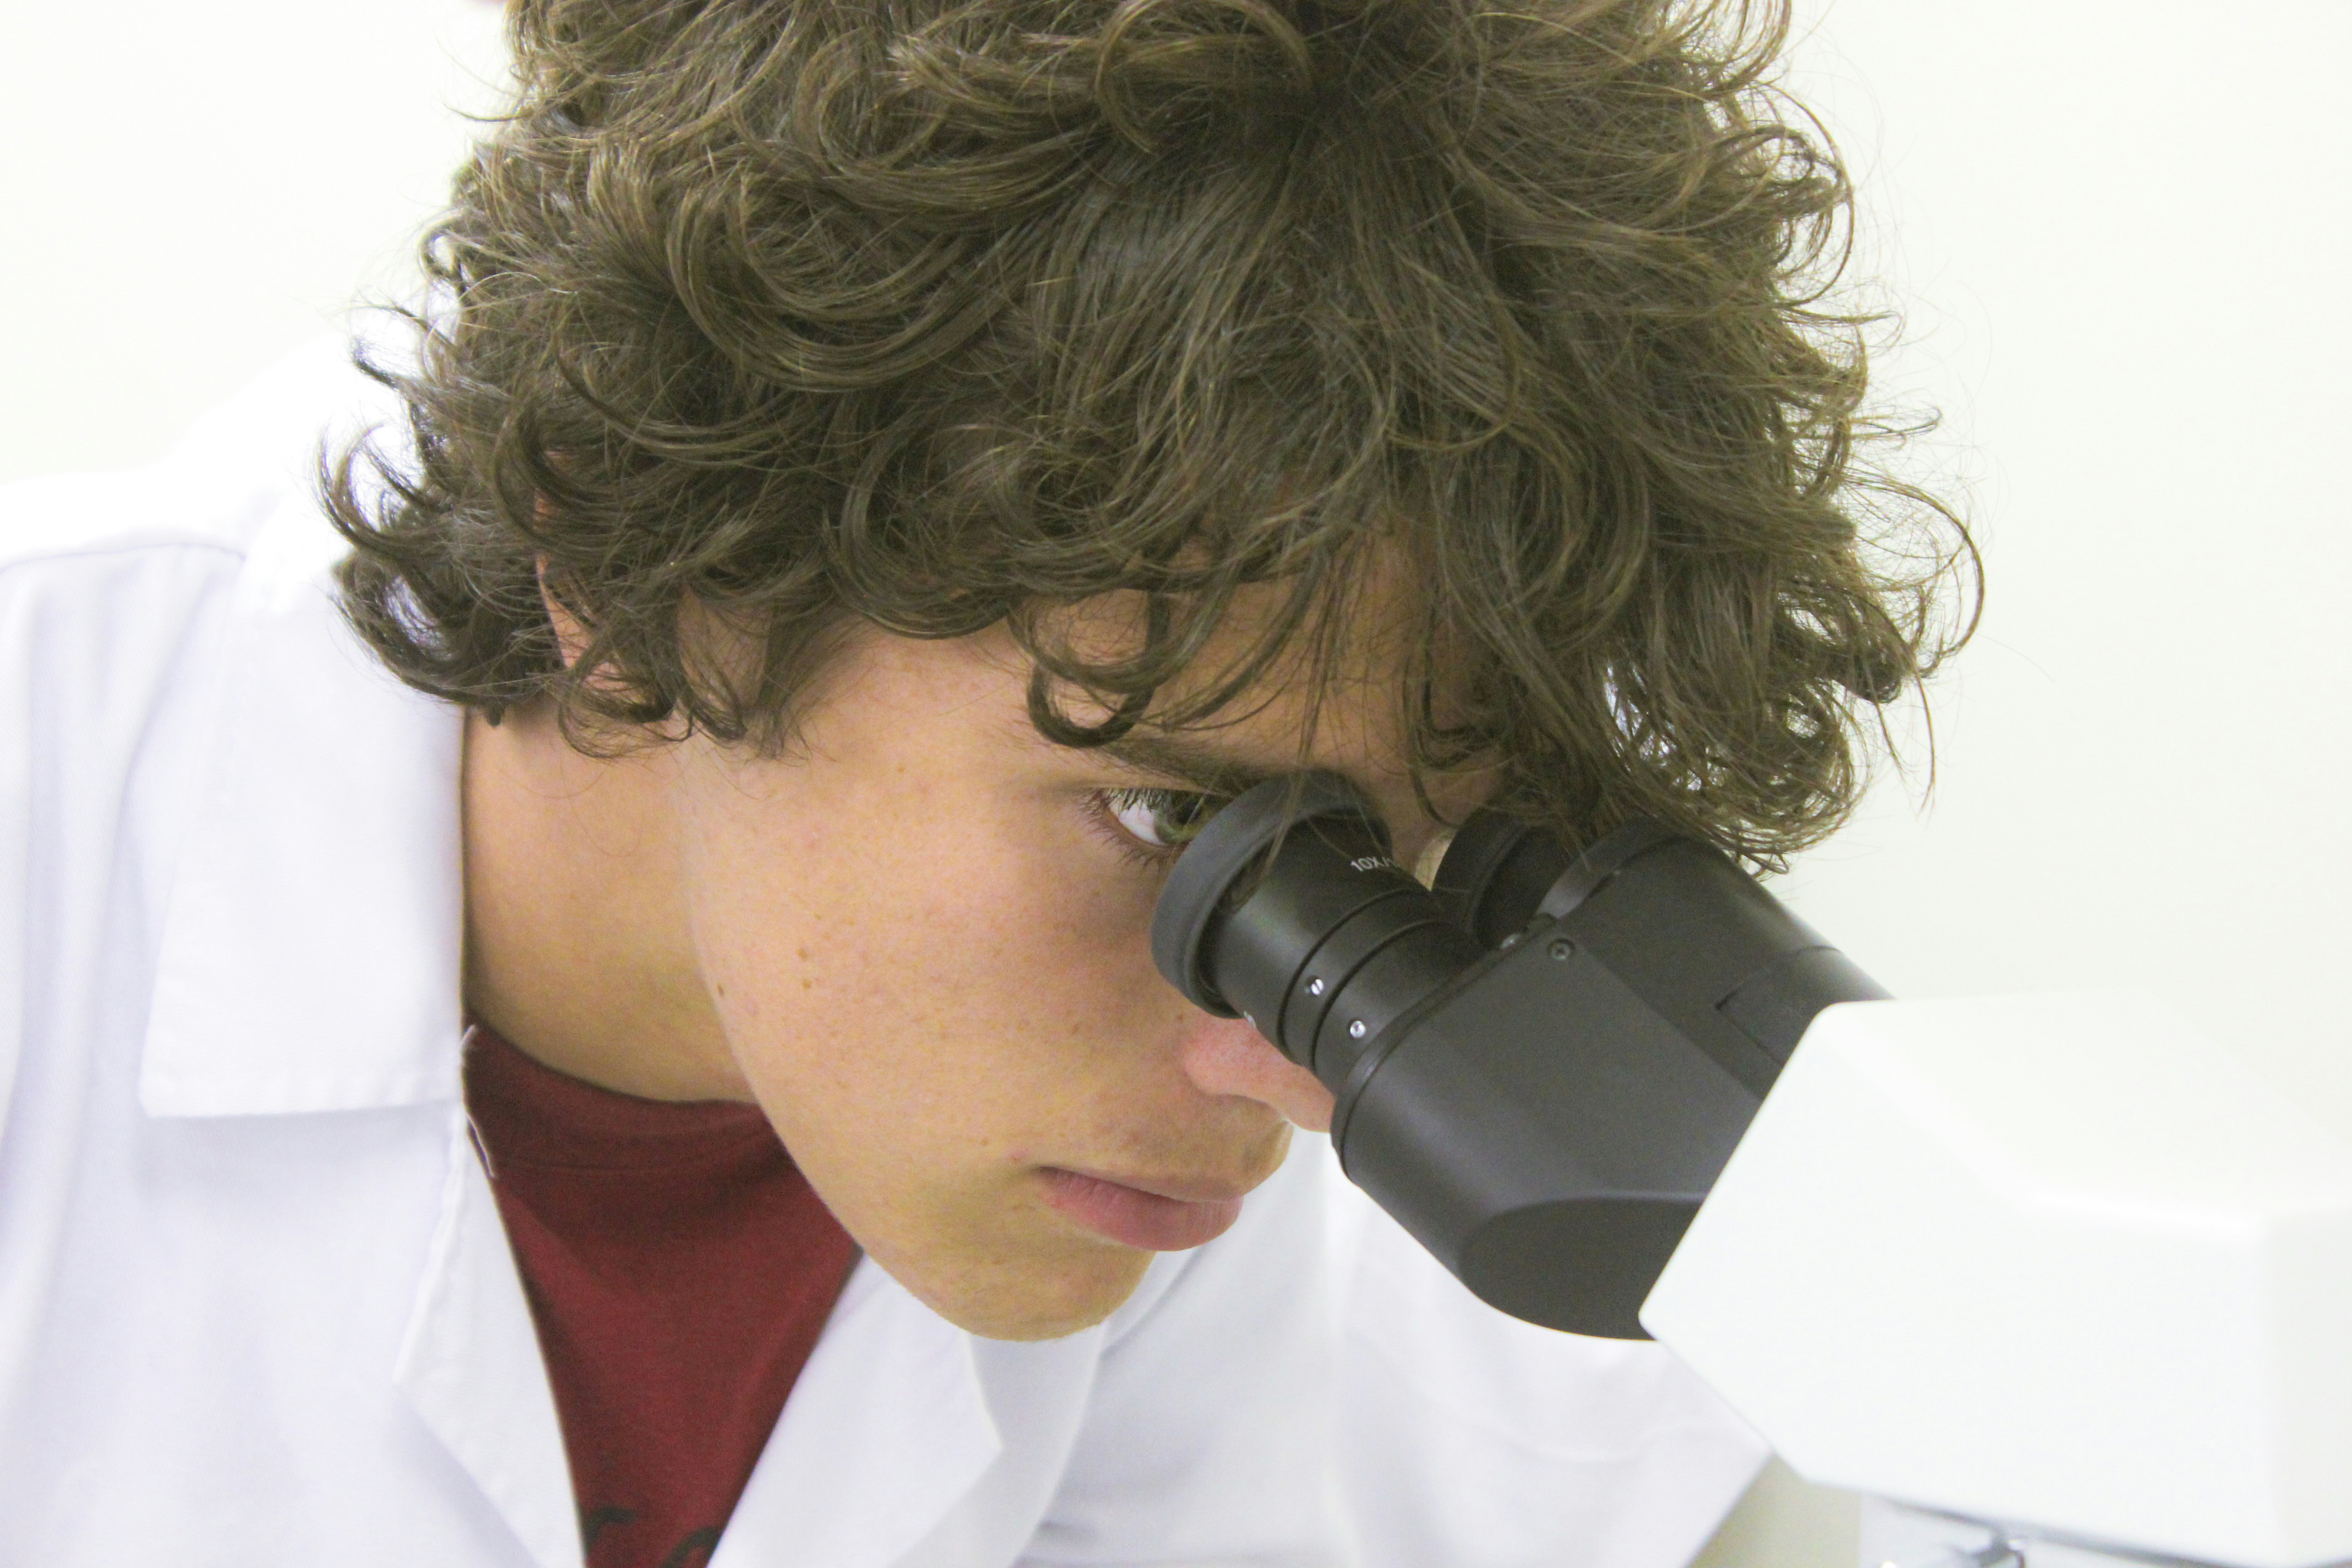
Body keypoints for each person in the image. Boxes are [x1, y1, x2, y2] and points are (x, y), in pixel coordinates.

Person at [0, 0, 1967, 1563]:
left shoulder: (1155, 1152)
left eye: (1400, 867)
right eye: (1178, 826)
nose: (1287, 1080)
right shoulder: (47, 809)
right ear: (629, 577)